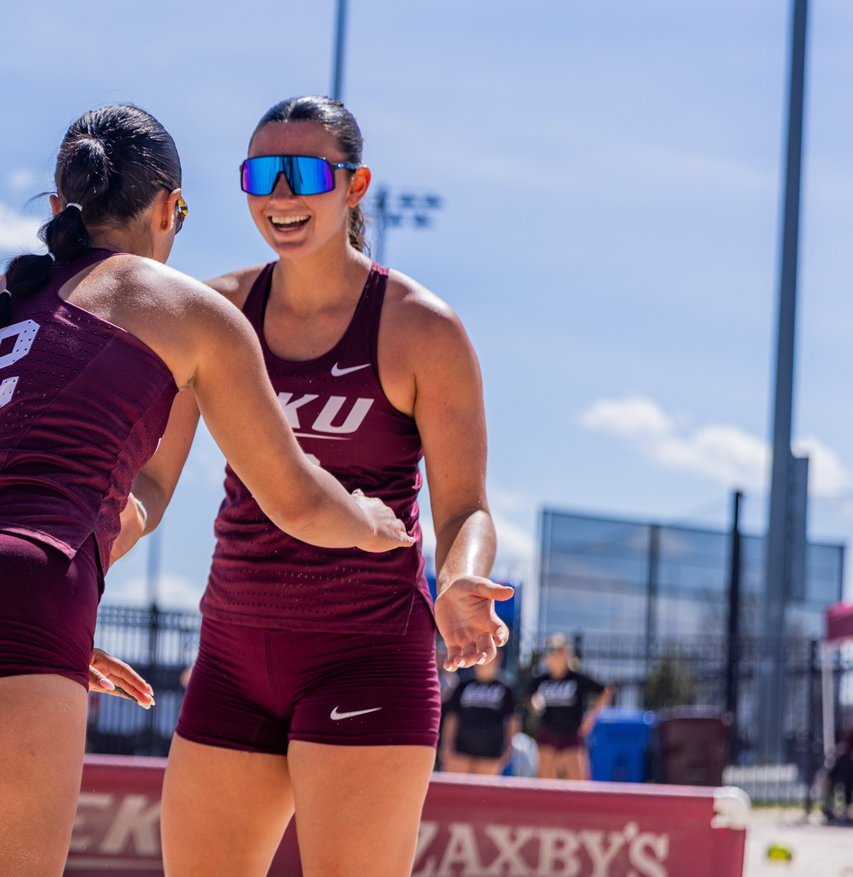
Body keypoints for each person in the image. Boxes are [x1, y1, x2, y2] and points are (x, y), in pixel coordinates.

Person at [0, 105, 411, 877]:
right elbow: (297, 500)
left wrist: (20, 620)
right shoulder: (185, 307)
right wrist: (374, 521)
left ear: (63, 205)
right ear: (169, 208)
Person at [159, 95, 512, 877]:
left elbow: (465, 507)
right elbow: (149, 480)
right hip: (232, 656)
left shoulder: (421, 326)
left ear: (354, 188)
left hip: (368, 655)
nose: (281, 197)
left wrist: (459, 578)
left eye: (305, 173)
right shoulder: (216, 312)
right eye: (261, 174)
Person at [525, 633, 611, 780]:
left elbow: (606, 691)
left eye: (554, 649)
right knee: (546, 786)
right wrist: (534, 704)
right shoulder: (541, 680)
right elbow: (528, 695)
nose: (550, 654)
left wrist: (590, 717)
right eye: (548, 650)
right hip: (548, 734)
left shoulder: (576, 679)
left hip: (571, 736)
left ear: (565, 652)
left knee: (579, 787)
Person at [441, 658, 520, 775]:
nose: (483, 663)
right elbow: (452, 716)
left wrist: (509, 747)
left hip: (491, 753)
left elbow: (512, 719)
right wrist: (447, 744)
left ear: (497, 659)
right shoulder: (463, 685)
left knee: (485, 792)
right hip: (460, 751)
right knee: (454, 790)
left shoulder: (505, 687)